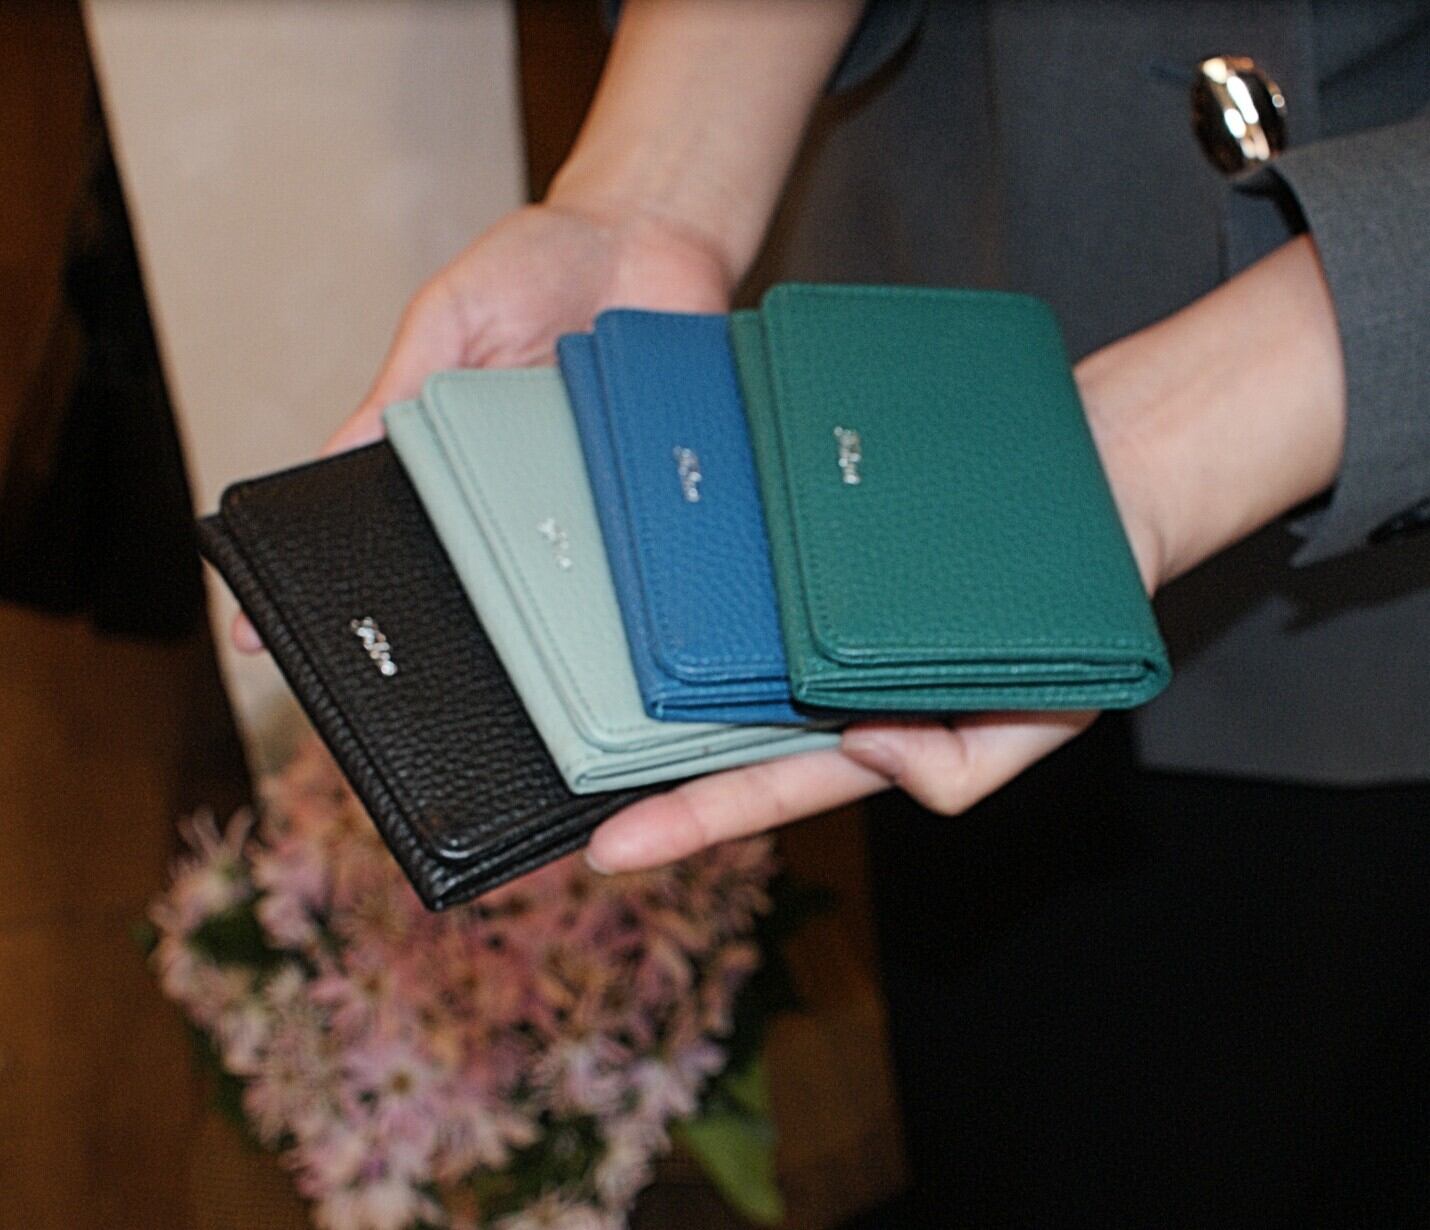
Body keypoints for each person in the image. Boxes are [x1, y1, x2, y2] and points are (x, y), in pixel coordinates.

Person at [238, 1, 1430, 1221]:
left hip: (1360, 614)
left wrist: (1169, 436)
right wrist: (648, 191)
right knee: (997, 1078)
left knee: (1281, 1104)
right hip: (886, 365)